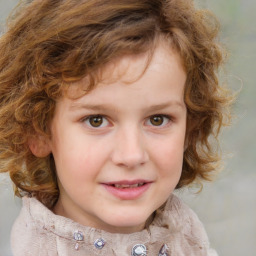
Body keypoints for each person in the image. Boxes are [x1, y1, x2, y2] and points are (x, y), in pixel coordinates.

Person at [0, 0, 233, 255]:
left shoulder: (195, 244)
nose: (131, 155)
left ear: (191, 128)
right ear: (38, 131)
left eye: (158, 119)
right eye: (96, 120)